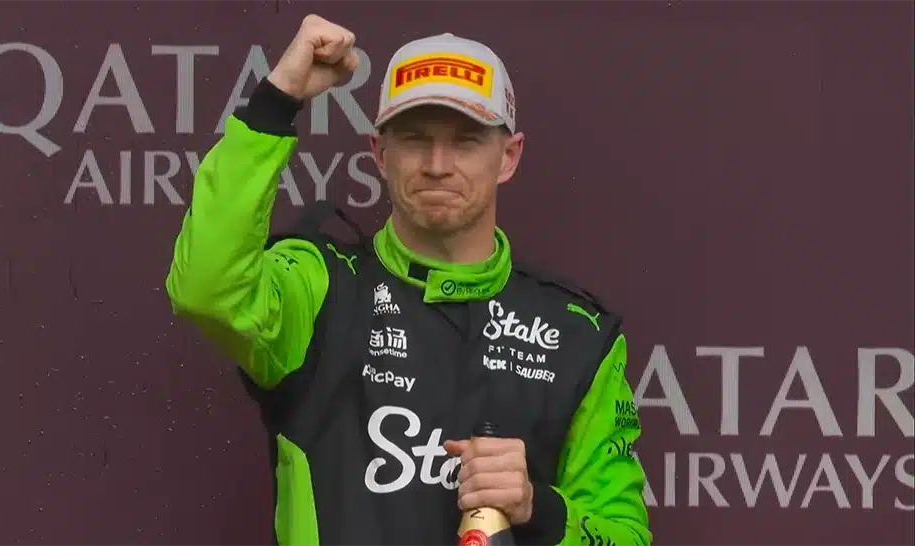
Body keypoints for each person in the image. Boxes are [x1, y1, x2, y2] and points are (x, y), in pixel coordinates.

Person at [165, 14, 651, 546]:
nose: (437, 164)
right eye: (415, 139)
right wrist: (277, 102)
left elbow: (624, 535)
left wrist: (539, 509)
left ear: (508, 157)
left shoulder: (577, 334)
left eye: (465, 141)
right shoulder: (321, 285)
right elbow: (207, 290)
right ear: (379, 153)